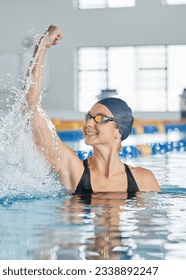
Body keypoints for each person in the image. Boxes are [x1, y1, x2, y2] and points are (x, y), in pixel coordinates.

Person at [27, 25, 161, 194]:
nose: (89, 123)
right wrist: (41, 47)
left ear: (118, 132)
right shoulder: (75, 171)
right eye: (88, 117)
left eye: (100, 118)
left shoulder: (143, 179)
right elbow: (31, 108)